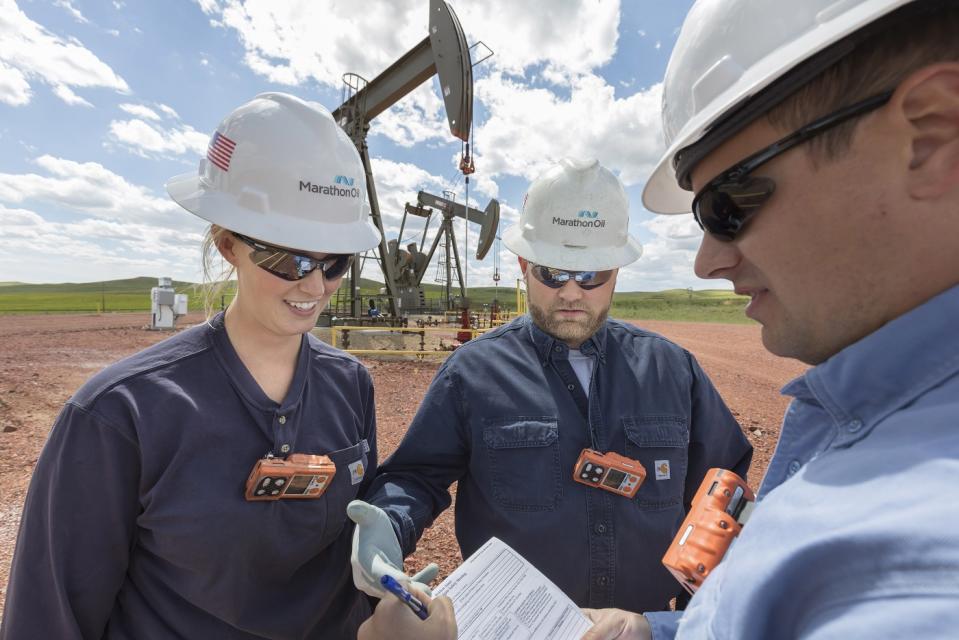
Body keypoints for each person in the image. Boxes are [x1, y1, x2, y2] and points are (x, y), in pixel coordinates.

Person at [581, 0, 959, 638]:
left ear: (930, 136)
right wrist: (655, 631)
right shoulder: (863, 417)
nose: (706, 263)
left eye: (727, 204)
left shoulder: (914, 587)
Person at [0, 92, 391, 639]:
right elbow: (51, 616)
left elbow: (353, 551)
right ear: (227, 243)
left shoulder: (350, 385)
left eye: (335, 263)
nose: (313, 285)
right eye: (289, 258)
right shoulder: (121, 414)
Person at [348, 158, 753, 618]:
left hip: (642, 628)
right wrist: (389, 521)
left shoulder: (673, 371)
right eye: (553, 273)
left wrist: (692, 614)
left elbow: (723, 492)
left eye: (592, 275)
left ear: (617, 270)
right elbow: (416, 476)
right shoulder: (472, 374)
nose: (571, 292)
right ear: (523, 264)